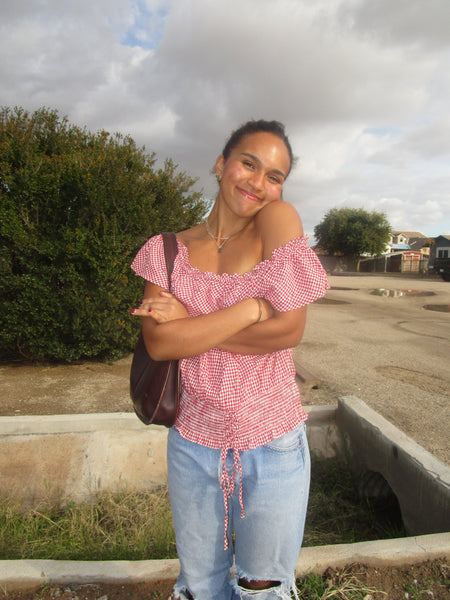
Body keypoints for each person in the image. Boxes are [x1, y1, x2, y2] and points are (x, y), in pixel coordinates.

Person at [130, 119, 329, 600]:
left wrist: (191, 325)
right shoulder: (166, 250)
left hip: (272, 442)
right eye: (249, 163)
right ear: (221, 164)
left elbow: (288, 330)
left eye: (275, 175)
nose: (259, 183)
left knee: (263, 589)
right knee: (200, 585)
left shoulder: (277, 224)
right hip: (194, 444)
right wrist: (252, 308)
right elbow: (159, 344)